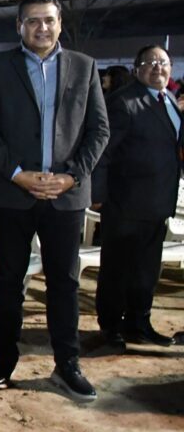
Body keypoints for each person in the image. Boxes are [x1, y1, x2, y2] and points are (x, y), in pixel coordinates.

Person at [0, 0, 109, 403]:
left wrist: (70, 176)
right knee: (10, 280)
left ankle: (68, 363)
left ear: (60, 24)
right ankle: (5, 359)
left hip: (66, 196)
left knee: (64, 282)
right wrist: (16, 174)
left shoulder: (84, 67)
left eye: (48, 20)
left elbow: (98, 131)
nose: (41, 27)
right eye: (32, 20)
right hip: (13, 195)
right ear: (19, 26)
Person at [92, 45, 180, 348]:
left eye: (164, 63)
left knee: (146, 271)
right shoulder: (123, 103)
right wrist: (98, 195)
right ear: (136, 68)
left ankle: (138, 323)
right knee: (117, 269)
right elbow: (102, 154)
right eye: (150, 63)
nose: (158, 68)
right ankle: (111, 326)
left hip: (158, 202)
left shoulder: (168, 99)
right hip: (125, 203)